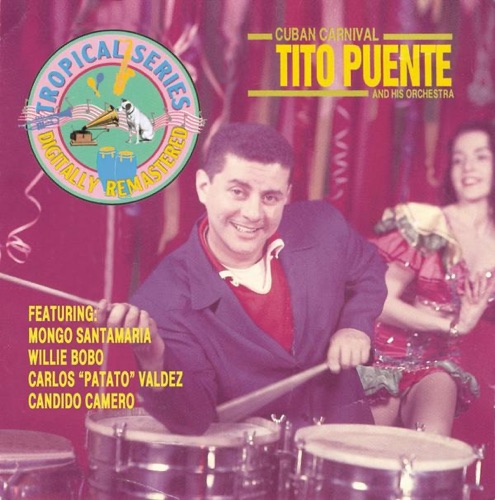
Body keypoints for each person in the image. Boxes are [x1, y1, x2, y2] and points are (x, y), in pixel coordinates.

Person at [98, 123, 387, 435]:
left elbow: (369, 269)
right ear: (204, 187)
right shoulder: (161, 299)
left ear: (287, 196)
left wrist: (354, 326)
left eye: (270, 197)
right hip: (251, 460)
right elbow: (192, 419)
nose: (253, 213)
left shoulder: (323, 224)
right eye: (238, 192)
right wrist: (154, 359)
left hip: (344, 442)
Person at [358, 122, 495, 438]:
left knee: (431, 443)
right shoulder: (427, 224)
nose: (467, 167)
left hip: (436, 362)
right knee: (367, 446)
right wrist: (452, 326)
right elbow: (379, 301)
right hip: (381, 356)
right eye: (458, 159)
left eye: (480, 156)